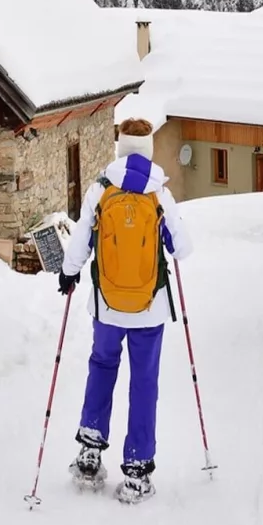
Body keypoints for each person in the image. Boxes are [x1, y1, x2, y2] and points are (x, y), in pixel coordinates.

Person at [58, 117, 193, 505]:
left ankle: (89, 451)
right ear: (148, 149)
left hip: (108, 305)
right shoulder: (158, 193)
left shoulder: (101, 188)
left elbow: (82, 236)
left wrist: (69, 274)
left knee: (102, 367)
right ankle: (136, 470)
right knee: (144, 381)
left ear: (120, 148)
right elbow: (182, 248)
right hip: (150, 308)